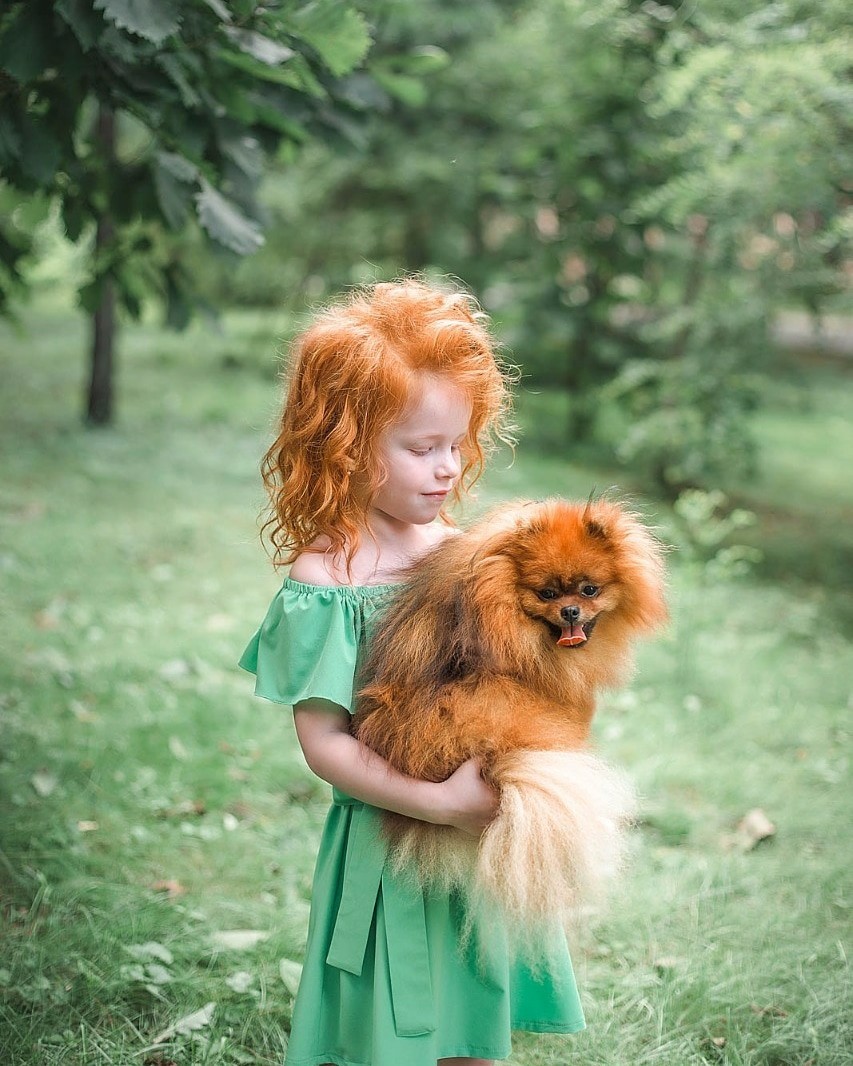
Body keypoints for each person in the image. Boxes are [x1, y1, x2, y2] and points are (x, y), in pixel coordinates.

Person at [240, 279, 585, 1066]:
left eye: (457, 444)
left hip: (474, 842)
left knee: (473, 1015)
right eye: (420, 448)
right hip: (389, 838)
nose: (446, 468)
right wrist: (435, 803)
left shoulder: (464, 558)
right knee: (389, 1030)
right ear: (344, 445)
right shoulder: (328, 584)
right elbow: (324, 743)